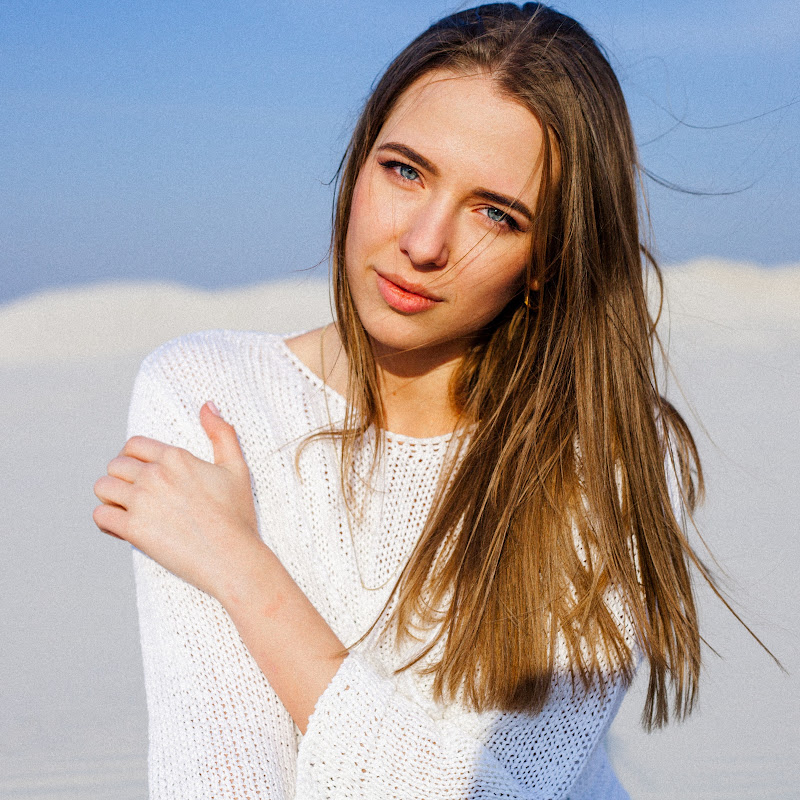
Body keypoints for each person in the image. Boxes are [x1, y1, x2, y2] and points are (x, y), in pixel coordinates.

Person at [92, 4, 710, 798]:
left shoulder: (604, 452)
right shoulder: (210, 399)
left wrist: (245, 572)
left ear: (549, 258)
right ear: (358, 165)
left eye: (496, 214)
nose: (423, 244)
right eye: (405, 171)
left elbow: (502, 791)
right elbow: (221, 776)